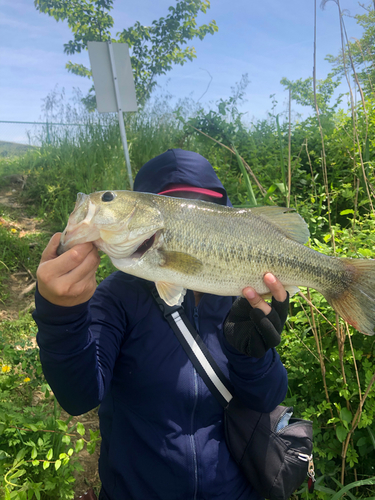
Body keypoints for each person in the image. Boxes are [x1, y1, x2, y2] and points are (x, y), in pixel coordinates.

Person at [33, 149, 289, 500]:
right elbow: (79, 396)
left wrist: (253, 356)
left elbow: (268, 398)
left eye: (207, 210)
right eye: (177, 205)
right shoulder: (116, 297)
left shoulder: (241, 295)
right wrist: (60, 314)